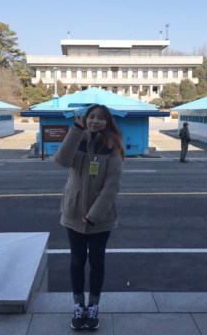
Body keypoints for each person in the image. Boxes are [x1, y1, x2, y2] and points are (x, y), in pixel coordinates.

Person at [54, 104, 124, 330]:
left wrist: (94, 214)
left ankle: (93, 306)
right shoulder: (78, 140)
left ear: (108, 122)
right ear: (85, 119)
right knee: (76, 261)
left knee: (96, 262)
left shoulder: (112, 147)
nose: (95, 121)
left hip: (100, 217)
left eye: (100, 118)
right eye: (91, 117)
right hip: (73, 212)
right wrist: (75, 130)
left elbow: (112, 186)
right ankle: (78, 305)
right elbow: (62, 160)